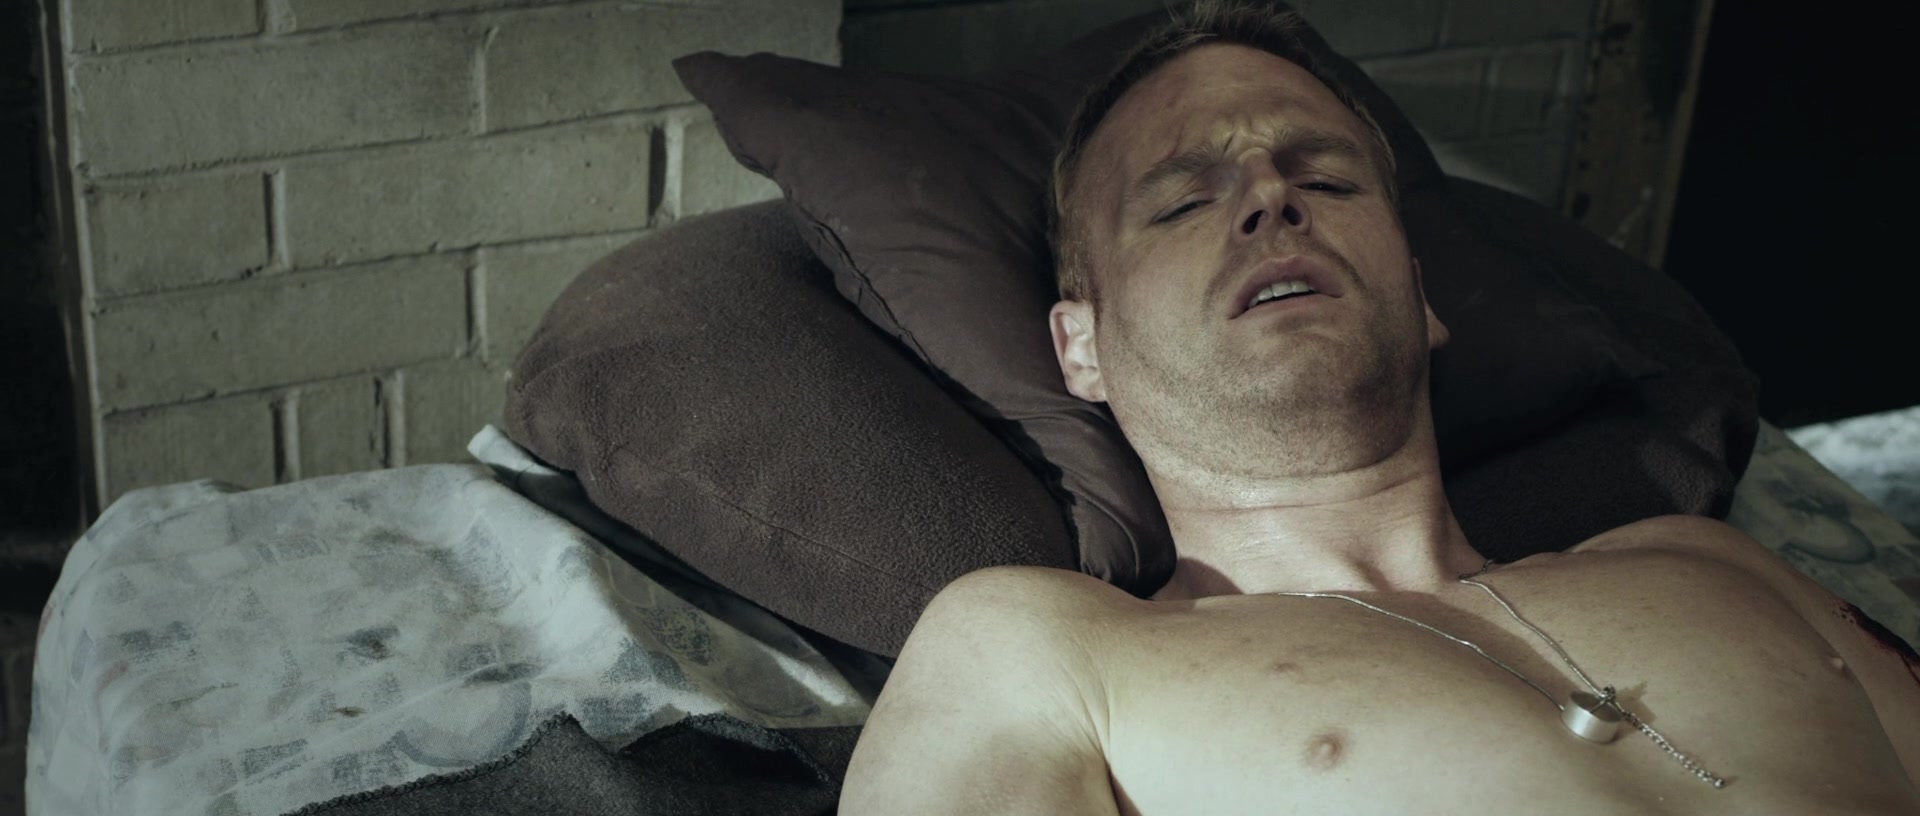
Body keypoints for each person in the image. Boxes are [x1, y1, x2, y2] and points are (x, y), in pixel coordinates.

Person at [838, 2, 1920, 813]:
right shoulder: (1043, 655)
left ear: (1421, 294)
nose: (1272, 197)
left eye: (1329, 181)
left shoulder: (1711, 562)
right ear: (1081, 347)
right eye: (1183, 201)